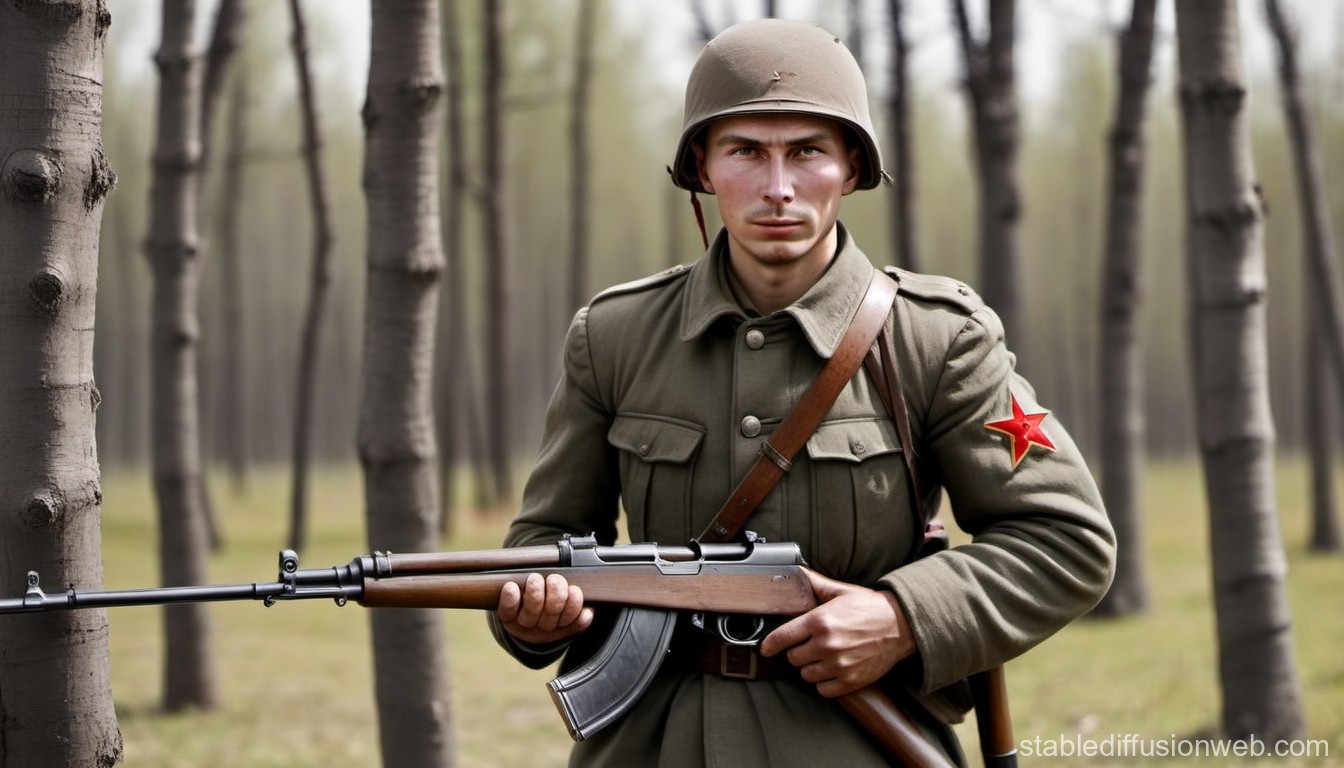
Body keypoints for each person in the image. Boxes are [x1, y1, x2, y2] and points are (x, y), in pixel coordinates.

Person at [490, 17, 1115, 767]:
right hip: (651, 747)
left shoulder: (936, 339)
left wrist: (900, 618)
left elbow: (1067, 540)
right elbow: (540, 546)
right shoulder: (617, 337)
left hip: (859, 743)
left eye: (808, 151)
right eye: (747, 151)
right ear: (703, 166)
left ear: (852, 168)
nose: (778, 188)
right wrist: (536, 619)